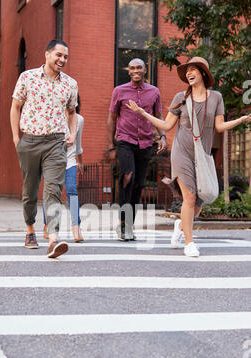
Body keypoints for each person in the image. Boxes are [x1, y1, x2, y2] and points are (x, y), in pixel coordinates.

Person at [126, 56, 251, 257]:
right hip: (182, 151)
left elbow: (219, 127)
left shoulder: (216, 97)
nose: (189, 73)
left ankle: (180, 225)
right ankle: (189, 242)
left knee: (199, 202)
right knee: (190, 196)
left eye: (193, 69)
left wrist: (242, 119)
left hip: (202, 154)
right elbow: (167, 125)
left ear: (203, 73)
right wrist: (142, 112)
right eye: (187, 70)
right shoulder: (181, 98)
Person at [10, 39, 78, 258]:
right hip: (29, 141)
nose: (62, 60)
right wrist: (15, 137)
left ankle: (53, 239)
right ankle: (30, 230)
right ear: (47, 54)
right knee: (30, 191)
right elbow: (15, 107)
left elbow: (71, 113)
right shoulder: (27, 77)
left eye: (65, 57)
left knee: (53, 191)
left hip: (56, 143)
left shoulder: (70, 84)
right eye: (59, 55)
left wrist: (72, 134)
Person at [107, 58, 167, 241]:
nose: (136, 70)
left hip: (146, 143)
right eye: (132, 67)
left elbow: (158, 116)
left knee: (139, 184)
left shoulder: (154, 92)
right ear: (128, 70)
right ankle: (123, 224)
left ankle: (130, 224)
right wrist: (111, 145)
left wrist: (162, 136)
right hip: (125, 140)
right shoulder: (119, 91)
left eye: (139, 67)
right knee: (127, 177)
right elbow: (112, 118)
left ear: (145, 69)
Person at [43, 96, 84, 242]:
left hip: (71, 161)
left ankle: (76, 229)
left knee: (72, 191)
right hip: (51, 162)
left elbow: (78, 144)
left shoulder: (79, 119)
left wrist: (81, 162)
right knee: (51, 194)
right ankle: (48, 226)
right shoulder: (52, 117)